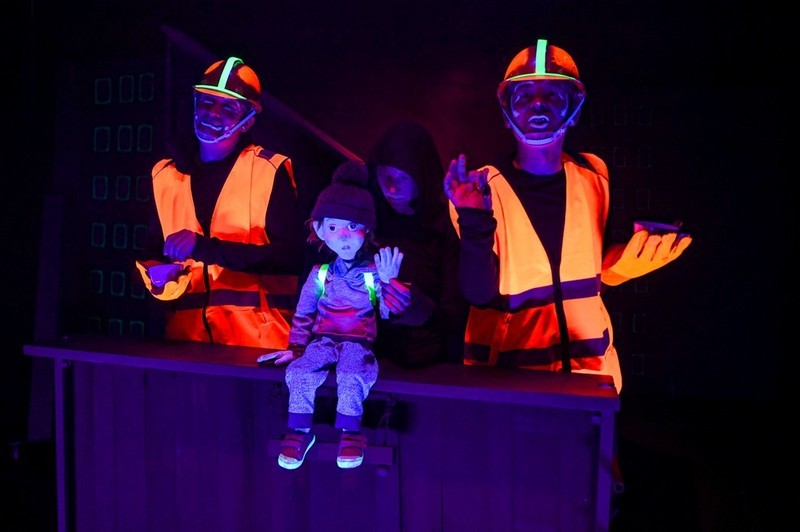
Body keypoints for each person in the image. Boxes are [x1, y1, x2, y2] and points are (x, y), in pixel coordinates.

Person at [444, 39, 693, 393]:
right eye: (524, 96)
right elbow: (479, 292)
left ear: (574, 109)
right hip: (510, 381)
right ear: (507, 111)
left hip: (589, 376)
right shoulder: (481, 187)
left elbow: (589, 264)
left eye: (553, 96)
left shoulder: (594, 175)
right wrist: (474, 218)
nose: (538, 105)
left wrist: (623, 263)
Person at [135, 56, 304, 348]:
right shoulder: (164, 175)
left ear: (248, 121)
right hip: (186, 343)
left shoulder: (269, 170)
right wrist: (158, 275)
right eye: (207, 101)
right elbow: (153, 251)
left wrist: (205, 248)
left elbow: (290, 257)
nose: (213, 113)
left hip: (257, 346)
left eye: (228, 107)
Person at [257, 160, 403, 470]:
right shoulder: (320, 273)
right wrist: (296, 348)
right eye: (334, 228)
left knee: (350, 374)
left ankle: (351, 433)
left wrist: (389, 282)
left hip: (358, 345)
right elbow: (304, 313)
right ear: (321, 230)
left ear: (367, 230)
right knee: (299, 372)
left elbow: (387, 313)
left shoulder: (372, 273)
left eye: (353, 226)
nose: (344, 236)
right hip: (322, 342)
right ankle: (299, 432)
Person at [365, 121, 469, 367]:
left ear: (422, 175)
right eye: (385, 175)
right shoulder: (368, 221)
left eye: (403, 177)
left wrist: (421, 309)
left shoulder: (446, 227)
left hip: (433, 365)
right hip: (370, 361)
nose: (392, 187)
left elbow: (457, 313)